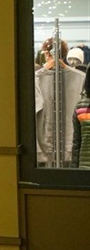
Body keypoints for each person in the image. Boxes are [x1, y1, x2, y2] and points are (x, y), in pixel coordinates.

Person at [34, 38, 85, 166]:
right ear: (65, 53)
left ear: (46, 53)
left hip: (44, 144)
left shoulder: (35, 80)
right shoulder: (81, 78)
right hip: (73, 143)